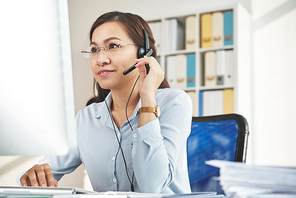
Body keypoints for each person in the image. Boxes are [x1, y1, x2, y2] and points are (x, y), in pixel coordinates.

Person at [18, 11, 192, 194]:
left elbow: (152, 187)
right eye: (94, 50)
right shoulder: (86, 119)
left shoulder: (175, 102)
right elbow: (40, 176)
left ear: (143, 52)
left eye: (113, 45)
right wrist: (35, 174)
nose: (101, 60)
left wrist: (148, 97)